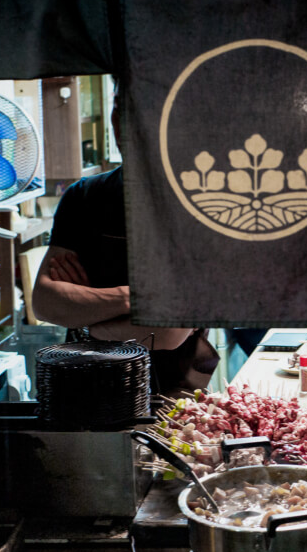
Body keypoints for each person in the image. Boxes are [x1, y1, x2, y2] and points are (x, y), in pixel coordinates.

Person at [33, 168, 217, 396]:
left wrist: (85, 323)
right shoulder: (83, 195)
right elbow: (45, 303)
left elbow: (170, 332)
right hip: (81, 389)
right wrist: (136, 297)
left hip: (168, 395)